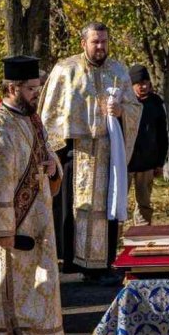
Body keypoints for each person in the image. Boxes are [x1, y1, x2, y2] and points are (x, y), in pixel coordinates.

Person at [0, 56, 65, 335]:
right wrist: (3, 232)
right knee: (9, 289)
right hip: (11, 227)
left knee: (40, 286)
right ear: (12, 88)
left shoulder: (32, 120)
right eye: (31, 89)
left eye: (37, 88)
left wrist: (54, 169)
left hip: (40, 219)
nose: (37, 94)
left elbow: (48, 155)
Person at [41, 22, 141, 283]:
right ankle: (72, 262)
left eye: (104, 42)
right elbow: (50, 113)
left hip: (109, 152)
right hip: (77, 151)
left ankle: (102, 263)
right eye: (95, 42)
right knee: (73, 207)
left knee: (106, 207)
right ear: (83, 43)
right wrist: (53, 153)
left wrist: (121, 113)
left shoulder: (118, 70)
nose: (100, 47)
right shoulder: (66, 70)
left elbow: (134, 108)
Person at [126, 65, 168, 226]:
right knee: (119, 204)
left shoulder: (156, 103)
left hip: (148, 163)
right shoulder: (124, 103)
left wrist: (160, 162)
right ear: (131, 84)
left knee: (144, 202)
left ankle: (142, 237)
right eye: (138, 83)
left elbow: (162, 135)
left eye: (145, 82)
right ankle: (115, 238)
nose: (143, 86)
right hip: (127, 163)